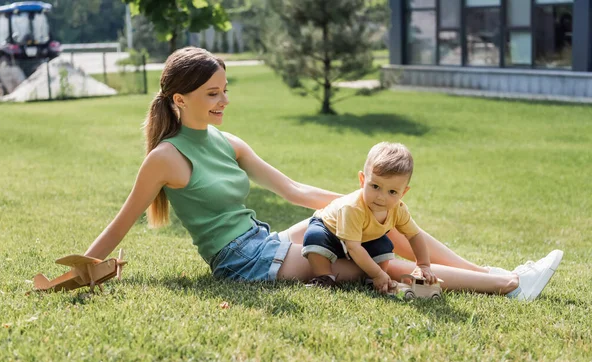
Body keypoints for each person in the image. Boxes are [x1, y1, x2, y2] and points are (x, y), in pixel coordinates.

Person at [84, 46, 563, 301]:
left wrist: (367, 204)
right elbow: (123, 220)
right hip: (242, 262)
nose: (224, 100)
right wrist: (83, 269)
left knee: (384, 223)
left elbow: (294, 190)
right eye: (213, 93)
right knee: (378, 264)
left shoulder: (228, 142)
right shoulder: (165, 158)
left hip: (266, 240)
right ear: (180, 99)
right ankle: (509, 286)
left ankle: (490, 272)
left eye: (225, 89)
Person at [302, 142, 435, 293]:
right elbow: (353, 246)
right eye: (375, 186)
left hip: (363, 239)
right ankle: (324, 277)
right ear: (362, 180)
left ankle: (373, 280)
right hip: (330, 231)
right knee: (315, 237)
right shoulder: (352, 208)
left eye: (392, 192)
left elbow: (414, 235)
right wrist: (378, 273)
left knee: (383, 245)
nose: (381, 198)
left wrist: (423, 264)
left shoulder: (398, 210)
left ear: (403, 192)